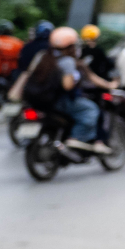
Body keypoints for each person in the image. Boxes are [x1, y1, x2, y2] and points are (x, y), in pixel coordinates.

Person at [25, 26, 108, 154]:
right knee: (91, 109)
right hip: (60, 101)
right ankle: (77, 137)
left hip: (40, 100)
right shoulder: (68, 62)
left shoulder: (43, 56)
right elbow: (67, 86)